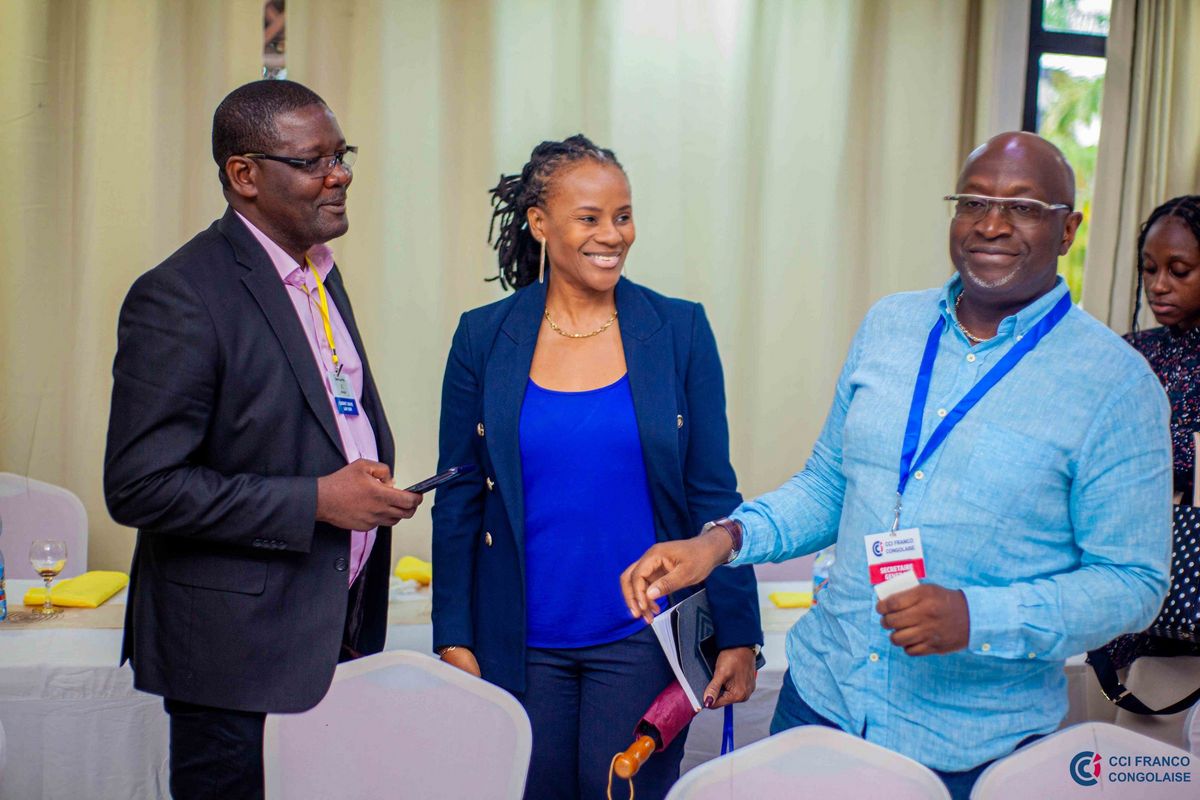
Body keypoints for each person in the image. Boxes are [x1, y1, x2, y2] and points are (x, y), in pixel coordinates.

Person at [620, 132, 1173, 799]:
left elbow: (1133, 582)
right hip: (818, 707)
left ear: (1068, 229)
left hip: (969, 750)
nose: (992, 224)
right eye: (974, 202)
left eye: (1023, 208)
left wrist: (976, 616)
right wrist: (721, 542)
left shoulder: (1117, 384)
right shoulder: (890, 326)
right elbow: (829, 484)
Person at [104, 80, 422, 800]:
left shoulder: (317, 274)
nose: (339, 176)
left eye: (342, 155)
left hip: (326, 636)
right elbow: (140, 487)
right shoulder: (180, 295)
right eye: (314, 162)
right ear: (244, 175)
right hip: (235, 659)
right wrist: (318, 501)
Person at [432, 135, 763, 799]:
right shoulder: (482, 336)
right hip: (517, 642)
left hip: (644, 639)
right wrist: (453, 634)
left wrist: (739, 632)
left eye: (623, 216)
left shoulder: (679, 331)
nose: (612, 235)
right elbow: (460, 496)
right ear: (539, 223)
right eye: (589, 218)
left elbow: (712, 492)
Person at [1110, 194, 1200, 742]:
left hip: (1187, 601)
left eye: (1179, 270)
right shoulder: (1129, 353)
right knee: (1133, 765)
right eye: (1149, 269)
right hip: (1138, 593)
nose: (1159, 285)